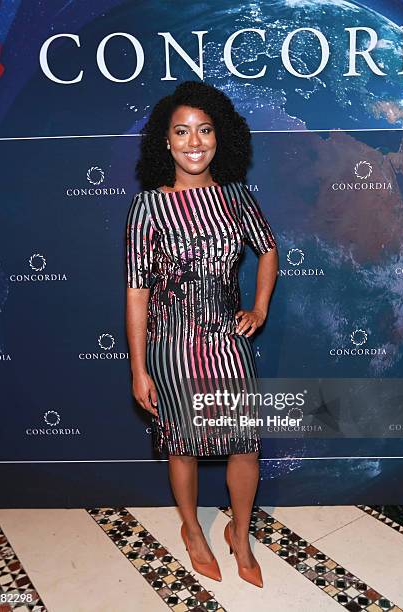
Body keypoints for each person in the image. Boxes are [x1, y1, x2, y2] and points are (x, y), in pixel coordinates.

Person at [125, 80, 278, 588]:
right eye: (182, 131)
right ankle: (192, 529)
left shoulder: (235, 195)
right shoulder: (148, 206)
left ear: (221, 136)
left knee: (245, 445)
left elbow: (269, 250)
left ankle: (241, 533)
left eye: (205, 130)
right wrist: (139, 367)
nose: (195, 142)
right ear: (164, 141)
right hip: (171, 345)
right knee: (183, 445)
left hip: (226, 340)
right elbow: (137, 292)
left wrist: (258, 307)